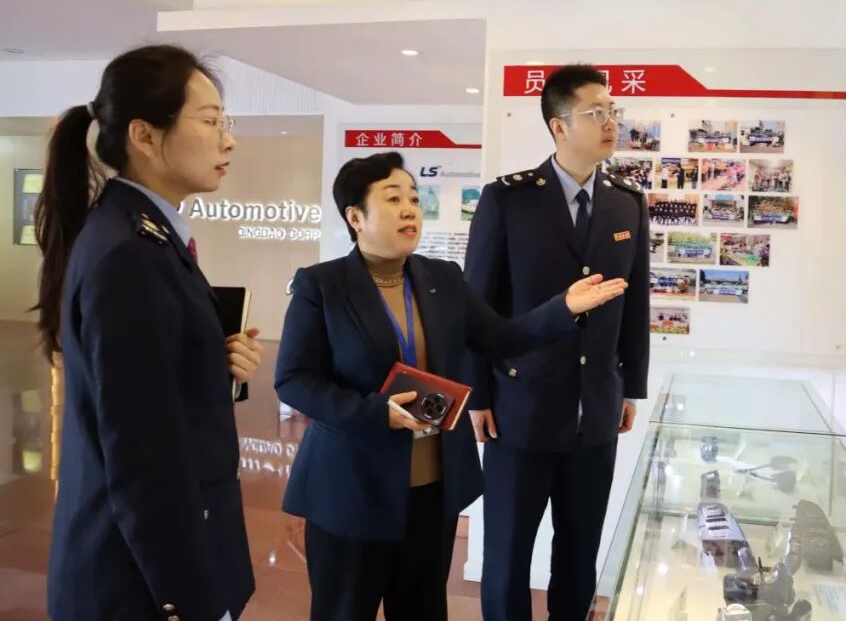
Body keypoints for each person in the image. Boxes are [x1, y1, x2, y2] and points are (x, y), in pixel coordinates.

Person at [274, 153, 627, 621]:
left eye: (414, 199)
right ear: (355, 217)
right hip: (351, 492)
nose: (410, 210)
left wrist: (561, 308)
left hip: (431, 491)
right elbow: (293, 379)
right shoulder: (322, 285)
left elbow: (501, 339)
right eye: (393, 199)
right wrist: (372, 412)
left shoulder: (442, 278)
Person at [35, 45, 264, 621]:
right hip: (137, 580)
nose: (228, 141)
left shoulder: (144, 235)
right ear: (144, 135)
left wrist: (214, 362)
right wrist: (187, 599)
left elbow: (152, 390)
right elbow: (141, 455)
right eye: (209, 121)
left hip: (153, 558)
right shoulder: (129, 253)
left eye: (226, 123)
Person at [465, 64, 651, 621]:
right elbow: (478, 306)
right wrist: (478, 395)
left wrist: (629, 387)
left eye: (613, 111)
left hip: (596, 412)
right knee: (507, 557)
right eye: (596, 112)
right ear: (559, 125)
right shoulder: (509, 200)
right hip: (519, 410)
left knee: (579, 554)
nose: (610, 122)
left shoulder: (627, 202)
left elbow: (635, 304)